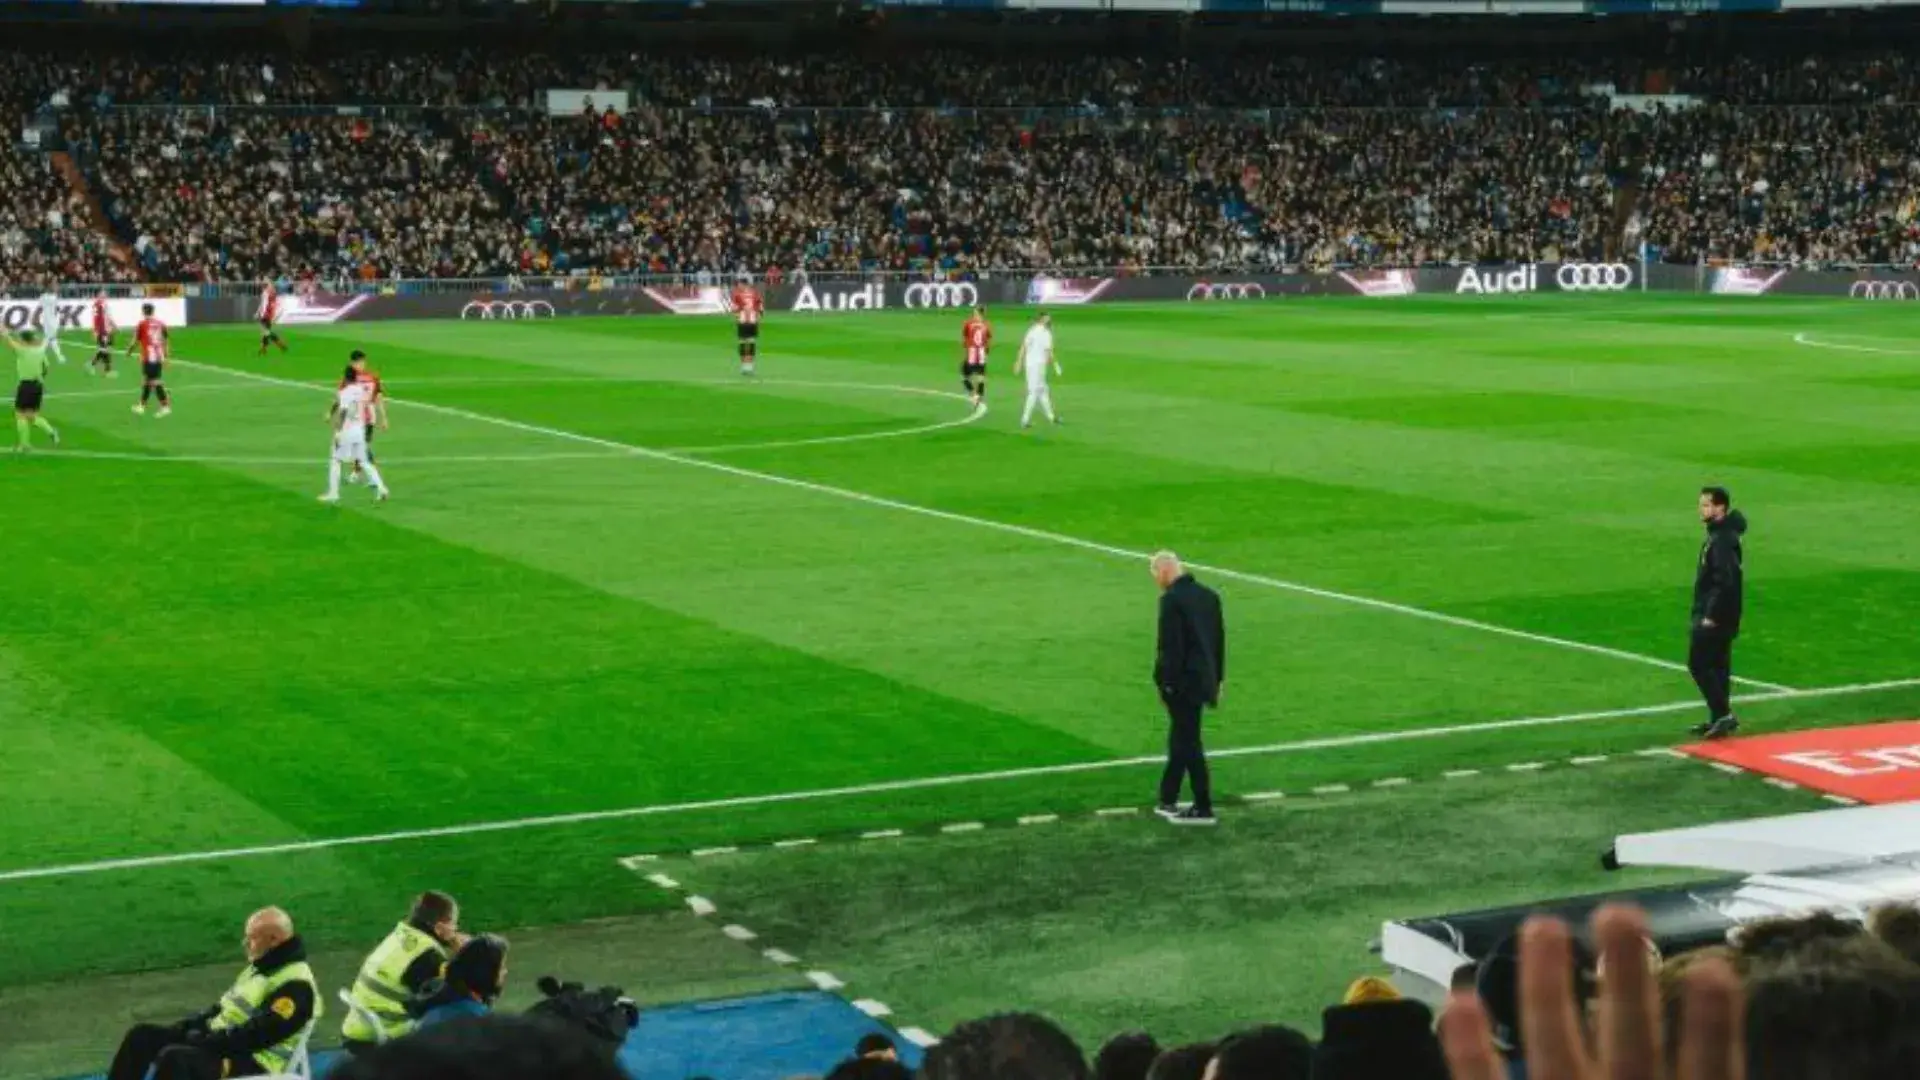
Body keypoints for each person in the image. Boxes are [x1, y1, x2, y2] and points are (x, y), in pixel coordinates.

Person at [105, 907, 321, 1080]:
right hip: (221, 1043)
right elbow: (223, 1008)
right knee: (141, 1036)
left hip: (251, 1061)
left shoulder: (296, 985)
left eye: (252, 938)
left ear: (274, 940)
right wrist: (189, 1027)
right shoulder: (262, 966)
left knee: (176, 1058)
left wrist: (206, 1041)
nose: (245, 944)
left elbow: (258, 1035)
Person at [1150, 551, 1225, 825]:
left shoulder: (1171, 601)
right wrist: (1218, 680)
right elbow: (1218, 643)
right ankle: (1167, 798)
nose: (1157, 581)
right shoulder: (1209, 597)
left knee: (1189, 742)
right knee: (1182, 737)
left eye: (1156, 576)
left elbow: (1169, 648)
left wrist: (1165, 684)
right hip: (1204, 681)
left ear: (1165, 571)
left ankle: (1203, 806)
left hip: (1182, 684)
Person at [342, 891, 466, 1053]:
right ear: (440, 927)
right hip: (385, 1033)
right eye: (453, 924)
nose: (456, 929)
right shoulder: (427, 956)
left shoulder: (400, 936)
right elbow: (457, 996)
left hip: (358, 1026)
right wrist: (466, 954)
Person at [1689, 486, 1746, 740]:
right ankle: (1718, 719)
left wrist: (1710, 614)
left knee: (1698, 663)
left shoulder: (1721, 540)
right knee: (1718, 666)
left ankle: (1723, 714)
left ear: (1720, 507)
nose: (1702, 509)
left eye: (1706, 505)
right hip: (1726, 614)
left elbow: (1726, 581)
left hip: (1717, 616)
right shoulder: (1721, 535)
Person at [410, 934, 510, 1030]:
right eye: (501, 967)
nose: (505, 972)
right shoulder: (478, 1020)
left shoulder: (438, 997)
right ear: (485, 974)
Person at [322, 375, 390, 503]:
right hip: (359, 429)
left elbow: (343, 412)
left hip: (348, 431)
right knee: (364, 461)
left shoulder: (346, 393)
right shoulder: (362, 392)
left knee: (336, 460)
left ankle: (333, 493)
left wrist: (337, 432)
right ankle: (382, 488)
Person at [8, 329, 59, 451]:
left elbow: (9, 341)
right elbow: (46, 367)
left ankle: (24, 445)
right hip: (38, 386)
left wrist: (4, 332)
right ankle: (52, 432)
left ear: (23, 340)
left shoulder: (22, 351)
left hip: (25, 385)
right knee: (32, 415)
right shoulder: (40, 351)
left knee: (20, 415)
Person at [343, 351, 388, 485]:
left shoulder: (372, 377)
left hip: (367, 418)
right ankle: (357, 473)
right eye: (358, 362)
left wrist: (384, 417)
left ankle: (373, 478)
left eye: (363, 362)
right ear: (352, 363)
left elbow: (379, 397)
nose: (361, 365)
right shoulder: (349, 377)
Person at [1013, 311, 1061, 430]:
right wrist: (1055, 364)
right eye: (1047, 319)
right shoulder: (1046, 333)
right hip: (1038, 366)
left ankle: (1051, 417)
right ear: (1042, 320)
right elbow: (1048, 352)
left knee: (1043, 390)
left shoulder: (1032, 330)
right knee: (1034, 392)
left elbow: (1023, 346)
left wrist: (1018, 362)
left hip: (1030, 365)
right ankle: (1025, 420)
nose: (1049, 321)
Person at [128, 302, 171, 417]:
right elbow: (166, 340)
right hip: (158, 356)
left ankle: (165, 406)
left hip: (149, 357)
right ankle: (142, 405)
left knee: (154, 381)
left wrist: (129, 351)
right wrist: (166, 357)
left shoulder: (142, 324)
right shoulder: (161, 324)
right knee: (148, 380)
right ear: (153, 311)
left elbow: (134, 341)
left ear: (143, 312)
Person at [962, 305, 993, 411]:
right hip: (981, 354)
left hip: (971, 353)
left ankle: (974, 395)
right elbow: (988, 339)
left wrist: (966, 346)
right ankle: (979, 395)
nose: (973, 314)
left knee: (965, 377)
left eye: (974, 313)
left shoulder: (969, 323)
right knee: (980, 377)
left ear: (978, 313)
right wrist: (986, 353)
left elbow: (965, 336)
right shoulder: (986, 325)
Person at [731, 280, 763, 376]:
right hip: (752, 321)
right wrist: (758, 317)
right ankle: (750, 367)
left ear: (743, 284)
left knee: (742, 343)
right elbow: (760, 308)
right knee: (751, 343)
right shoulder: (755, 294)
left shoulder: (737, 295)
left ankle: (744, 367)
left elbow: (734, 309)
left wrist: (737, 316)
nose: (738, 286)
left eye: (739, 285)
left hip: (743, 321)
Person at [37, 285, 67, 366]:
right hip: (52, 321)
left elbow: (40, 308)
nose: (57, 288)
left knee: (52, 338)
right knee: (49, 338)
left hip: (46, 320)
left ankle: (59, 356)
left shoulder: (42, 297)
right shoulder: (54, 298)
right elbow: (57, 309)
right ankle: (38, 355)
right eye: (55, 287)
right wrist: (62, 317)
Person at [258, 280, 289, 356]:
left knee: (266, 332)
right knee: (265, 333)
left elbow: (265, 304)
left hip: (266, 315)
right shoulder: (271, 294)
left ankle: (281, 345)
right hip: (268, 314)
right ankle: (263, 349)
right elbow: (264, 304)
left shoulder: (267, 294)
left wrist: (261, 313)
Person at [89, 292, 117, 377]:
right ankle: (106, 370)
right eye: (102, 295)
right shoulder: (98, 305)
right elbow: (96, 318)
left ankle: (94, 365)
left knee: (107, 349)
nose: (104, 296)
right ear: (98, 296)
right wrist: (95, 330)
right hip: (103, 331)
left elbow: (107, 316)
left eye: (105, 295)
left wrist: (113, 325)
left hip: (108, 330)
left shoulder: (103, 304)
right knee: (104, 350)